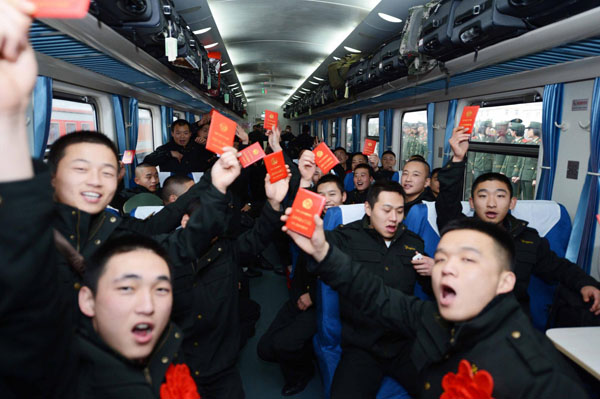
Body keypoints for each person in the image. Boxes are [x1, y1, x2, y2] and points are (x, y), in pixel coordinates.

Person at [282, 215, 590, 398]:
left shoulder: (539, 373)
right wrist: (323, 252)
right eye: (441, 259)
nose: (447, 269)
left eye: (467, 259)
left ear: (505, 282)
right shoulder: (431, 318)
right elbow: (373, 294)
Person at [156, 150, 291, 399]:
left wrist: (273, 203)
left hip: (220, 364)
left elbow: (258, 237)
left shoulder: (226, 251)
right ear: (185, 221)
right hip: (175, 363)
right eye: (201, 224)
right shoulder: (160, 254)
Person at [436, 126, 600, 317]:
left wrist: (587, 284)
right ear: (471, 202)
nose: (491, 204)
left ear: (512, 203)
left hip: (513, 322)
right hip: (466, 317)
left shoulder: (527, 238)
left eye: (500, 196)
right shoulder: (460, 231)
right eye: (483, 196)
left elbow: (560, 268)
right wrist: (457, 159)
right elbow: (447, 203)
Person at [319, 180, 433, 398]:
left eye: (400, 211)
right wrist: (303, 184)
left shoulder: (414, 243)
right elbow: (311, 242)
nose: (394, 218)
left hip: (405, 343)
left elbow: (429, 290)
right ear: (369, 208)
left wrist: (435, 271)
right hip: (363, 345)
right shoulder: (345, 237)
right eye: (387, 210)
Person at [257, 174, 345, 396]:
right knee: (264, 350)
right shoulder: (310, 224)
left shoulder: (352, 229)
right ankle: (305, 350)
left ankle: (301, 374)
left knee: (284, 345)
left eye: (332, 195)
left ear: (344, 197)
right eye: (321, 196)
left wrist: (313, 298)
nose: (326, 200)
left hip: (327, 303)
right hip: (300, 295)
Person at [143, 119, 212, 174]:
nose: (182, 136)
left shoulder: (198, 147)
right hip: (172, 187)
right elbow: (147, 161)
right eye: (178, 133)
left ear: (190, 134)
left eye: (186, 133)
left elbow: (210, 158)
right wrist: (169, 154)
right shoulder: (165, 149)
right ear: (172, 134)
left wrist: (206, 145)